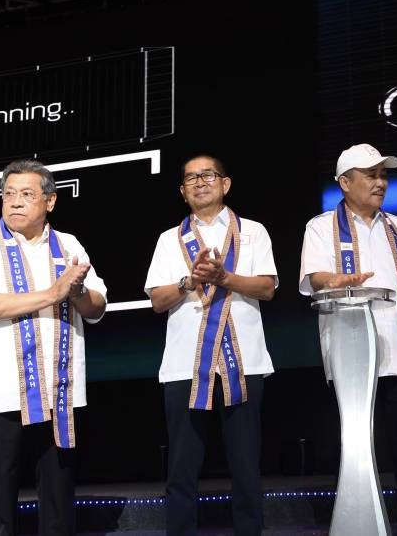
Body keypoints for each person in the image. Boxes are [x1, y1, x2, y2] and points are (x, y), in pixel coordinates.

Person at [0, 158, 108, 536]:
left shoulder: (68, 245)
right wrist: (52, 293)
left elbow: (97, 308)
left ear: (50, 201)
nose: (15, 202)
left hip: (58, 389)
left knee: (58, 497)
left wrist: (76, 293)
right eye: (9, 194)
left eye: (26, 194)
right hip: (0, 392)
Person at [299, 143, 397, 536]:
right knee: (359, 456)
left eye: (383, 175)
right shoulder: (321, 227)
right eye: (370, 175)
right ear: (345, 183)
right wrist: (335, 281)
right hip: (352, 364)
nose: (380, 183)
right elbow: (314, 279)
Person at [144, 155, 278, 536]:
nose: (200, 182)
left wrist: (224, 277)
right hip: (185, 366)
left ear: (226, 183)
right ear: (182, 192)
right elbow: (157, 300)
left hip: (245, 363)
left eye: (208, 175)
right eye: (191, 179)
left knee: (245, 468)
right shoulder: (169, 240)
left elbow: (267, 288)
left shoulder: (253, 231)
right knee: (182, 470)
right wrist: (190, 282)